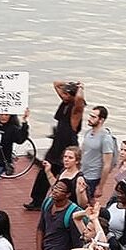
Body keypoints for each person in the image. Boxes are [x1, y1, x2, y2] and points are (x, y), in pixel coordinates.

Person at [24, 80, 85, 210]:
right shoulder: (65, 103)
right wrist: (71, 84)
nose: (64, 95)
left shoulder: (76, 110)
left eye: (68, 93)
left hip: (68, 148)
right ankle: (37, 201)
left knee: (66, 177)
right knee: (43, 173)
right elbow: (56, 84)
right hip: (56, 147)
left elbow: (79, 98)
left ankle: (67, 201)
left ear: (73, 96)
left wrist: (80, 88)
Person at [80, 105, 119, 202]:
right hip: (82, 173)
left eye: (93, 117)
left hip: (93, 177)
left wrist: (100, 187)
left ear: (101, 120)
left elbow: (107, 164)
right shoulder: (88, 133)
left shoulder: (106, 138)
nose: (89, 119)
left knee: (86, 203)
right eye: (90, 116)